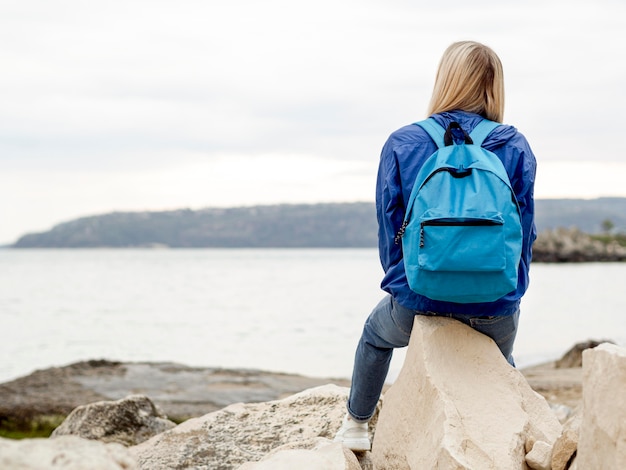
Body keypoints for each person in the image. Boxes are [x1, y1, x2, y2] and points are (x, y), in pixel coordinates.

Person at [333, 40, 537, 451]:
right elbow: (524, 234)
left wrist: (404, 286)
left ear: (444, 80)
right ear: (495, 87)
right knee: (498, 362)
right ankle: (511, 434)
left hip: (417, 299)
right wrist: (512, 292)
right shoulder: (513, 145)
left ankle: (356, 425)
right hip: (494, 306)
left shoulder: (404, 142)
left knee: (375, 336)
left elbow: (389, 225)